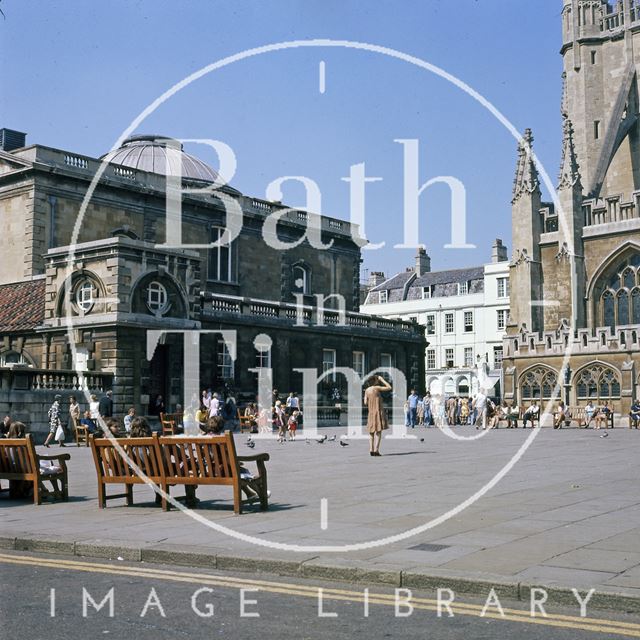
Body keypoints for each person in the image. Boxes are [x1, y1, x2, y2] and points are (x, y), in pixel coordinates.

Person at [364, 374, 391, 456]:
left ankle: (371, 450)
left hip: (371, 413)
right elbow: (389, 387)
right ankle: (376, 450)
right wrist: (382, 380)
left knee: (371, 433)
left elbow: (365, 402)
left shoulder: (367, 390)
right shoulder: (376, 388)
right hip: (378, 411)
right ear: (375, 381)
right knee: (378, 432)